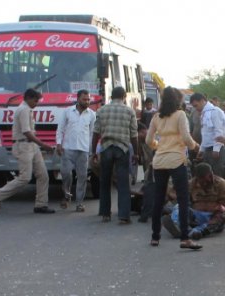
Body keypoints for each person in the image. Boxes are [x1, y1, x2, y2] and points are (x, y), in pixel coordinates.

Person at [145, 86, 202, 250]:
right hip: (176, 160)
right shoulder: (180, 115)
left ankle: (155, 237)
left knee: (158, 198)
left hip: (159, 161)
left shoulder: (156, 117)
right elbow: (186, 137)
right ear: (178, 101)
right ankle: (185, 238)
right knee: (183, 199)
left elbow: (149, 140)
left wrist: (158, 146)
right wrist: (195, 147)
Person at [0, 89, 56, 213]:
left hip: (31, 145)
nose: (36, 103)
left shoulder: (27, 109)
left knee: (43, 175)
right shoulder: (23, 110)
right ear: (28, 98)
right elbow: (26, 132)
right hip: (24, 145)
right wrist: (43, 145)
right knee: (25, 178)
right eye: (35, 100)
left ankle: (41, 204)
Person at [91, 86, 138, 224]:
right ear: (124, 96)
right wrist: (136, 153)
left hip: (105, 148)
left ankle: (105, 213)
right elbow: (134, 135)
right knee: (123, 183)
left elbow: (96, 133)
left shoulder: (101, 110)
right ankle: (123, 216)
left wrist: (94, 152)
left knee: (105, 181)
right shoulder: (129, 111)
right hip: (122, 149)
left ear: (111, 97)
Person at [162, 163, 225, 240]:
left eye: (207, 178)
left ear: (211, 174)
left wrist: (210, 207)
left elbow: (224, 205)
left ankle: (197, 231)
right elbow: (175, 194)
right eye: (201, 179)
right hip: (196, 216)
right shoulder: (191, 183)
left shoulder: (222, 184)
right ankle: (180, 226)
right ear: (197, 177)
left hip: (212, 217)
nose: (204, 182)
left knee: (222, 213)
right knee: (179, 206)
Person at [56, 89, 96, 212]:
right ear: (78, 99)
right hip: (68, 148)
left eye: (88, 99)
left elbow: (91, 133)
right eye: (84, 99)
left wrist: (90, 150)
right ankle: (67, 196)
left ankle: (79, 203)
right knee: (66, 174)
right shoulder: (68, 111)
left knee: (82, 177)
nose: (87, 101)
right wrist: (58, 143)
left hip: (83, 150)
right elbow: (60, 128)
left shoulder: (91, 114)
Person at [190, 93, 225, 177]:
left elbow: (219, 131)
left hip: (216, 150)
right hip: (208, 150)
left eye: (196, 105)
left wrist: (216, 149)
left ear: (202, 101)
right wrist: (201, 150)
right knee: (207, 177)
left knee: (217, 177)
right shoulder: (204, 113)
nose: (196, 108)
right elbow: (205, 133)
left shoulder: (215, 111)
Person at [136, 123, 155, 223]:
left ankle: (145, 214)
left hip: (156, 165)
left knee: (150, 188)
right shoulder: (143, 141)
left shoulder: (151, 139)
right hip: (155, 165)